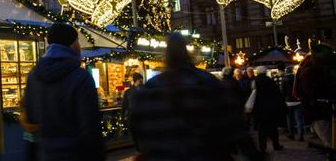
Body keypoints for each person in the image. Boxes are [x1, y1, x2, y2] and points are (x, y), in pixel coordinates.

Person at [129, 33, 261, 160]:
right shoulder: (207, 83)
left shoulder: (150, 89)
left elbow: (136, 127)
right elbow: (235, 127)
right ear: (187, 53)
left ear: (166, 56)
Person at [24, 23, 103, 161]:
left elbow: (30, 123)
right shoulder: (81, 78)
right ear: (72, 44)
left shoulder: (33, 76)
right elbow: (90, 129)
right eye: (78, 41)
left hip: (44, 154)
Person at [294, 42, 336, 148]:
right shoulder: (311, 69)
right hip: (321, 111)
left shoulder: (308, 67)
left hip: (320, 110)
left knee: (330, 142)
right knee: (331, 142)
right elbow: (313, 91)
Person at [252, 66, 286, 152]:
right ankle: (276, 145)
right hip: (271, 108)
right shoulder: (270, 81)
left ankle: (262, 147)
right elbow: (277, 94)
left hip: (259, 109)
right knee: (273, 128)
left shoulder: (255, 81)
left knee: (261, 129)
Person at [278, 65, 304, 141]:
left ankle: (291, 134)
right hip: (297, 100)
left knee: (289, 119)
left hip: (288, 101)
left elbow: (282, 91)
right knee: (299, 119)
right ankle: (300, 135)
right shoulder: (297, 78)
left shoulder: (284, 79)